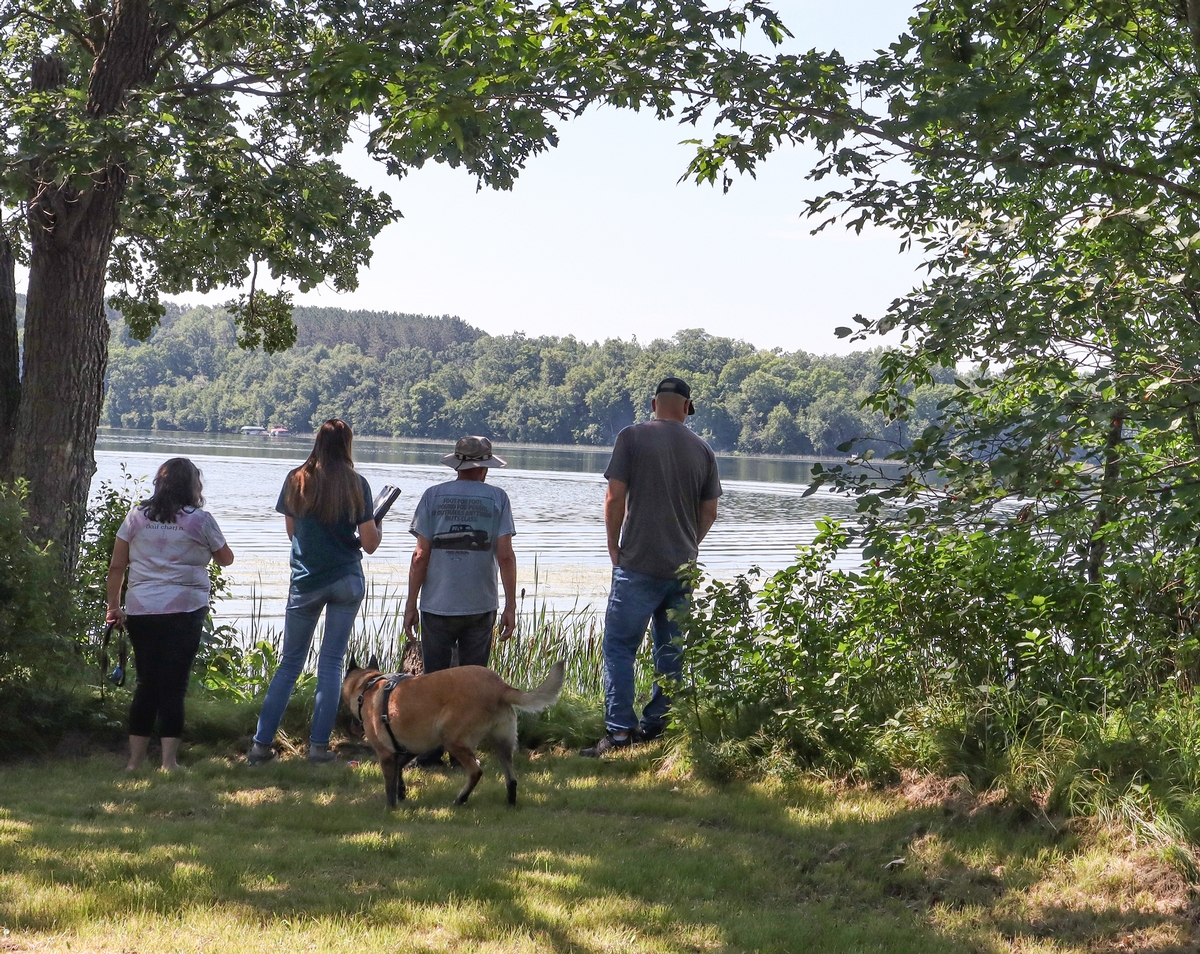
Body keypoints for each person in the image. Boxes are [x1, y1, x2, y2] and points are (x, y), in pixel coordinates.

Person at [581, 377, 722, 757]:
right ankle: (657, 726)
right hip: (681, 569)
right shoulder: (704, 450)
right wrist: (689, 544)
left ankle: (620, 733)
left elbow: (614, 498)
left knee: (619, 648)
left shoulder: (631, 437)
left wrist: (613, 545)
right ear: (687, 408)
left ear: (653, 404)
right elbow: (710, 511)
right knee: (670, 652)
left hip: (637, 564)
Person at [248, 419, 382, 765]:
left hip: (305, 582)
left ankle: (261, 746)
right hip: (346, 580)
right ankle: (319, 749)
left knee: (289, 664)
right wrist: (377, 522)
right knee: (331, 663)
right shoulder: (357, 484)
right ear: (347, 445)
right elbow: (369, 544)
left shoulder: (297, 479)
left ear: (317, 442)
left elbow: (293, 533)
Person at [106, 458, 235, 771]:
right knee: (174, 685)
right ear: (192, 486)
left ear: (160, 485)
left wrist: (113, 607)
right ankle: (168, 763)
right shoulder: (200, 520)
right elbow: (226, 559)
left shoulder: (136, 516)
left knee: (146, 684)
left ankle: (134, 762)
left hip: (141, 609)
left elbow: (117, 566)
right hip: (184, 609)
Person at [403, 435, 517, 766]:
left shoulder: (432, 496)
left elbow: (420, 555)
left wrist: (411, 603)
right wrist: (510, 605)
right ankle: (462, 753)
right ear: (484, 468)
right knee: (473, 685)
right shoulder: (497, 498)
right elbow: (505, 556)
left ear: (457, 464)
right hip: (481, 604)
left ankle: (429, 754)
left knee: (433, 684)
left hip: (436, 605)